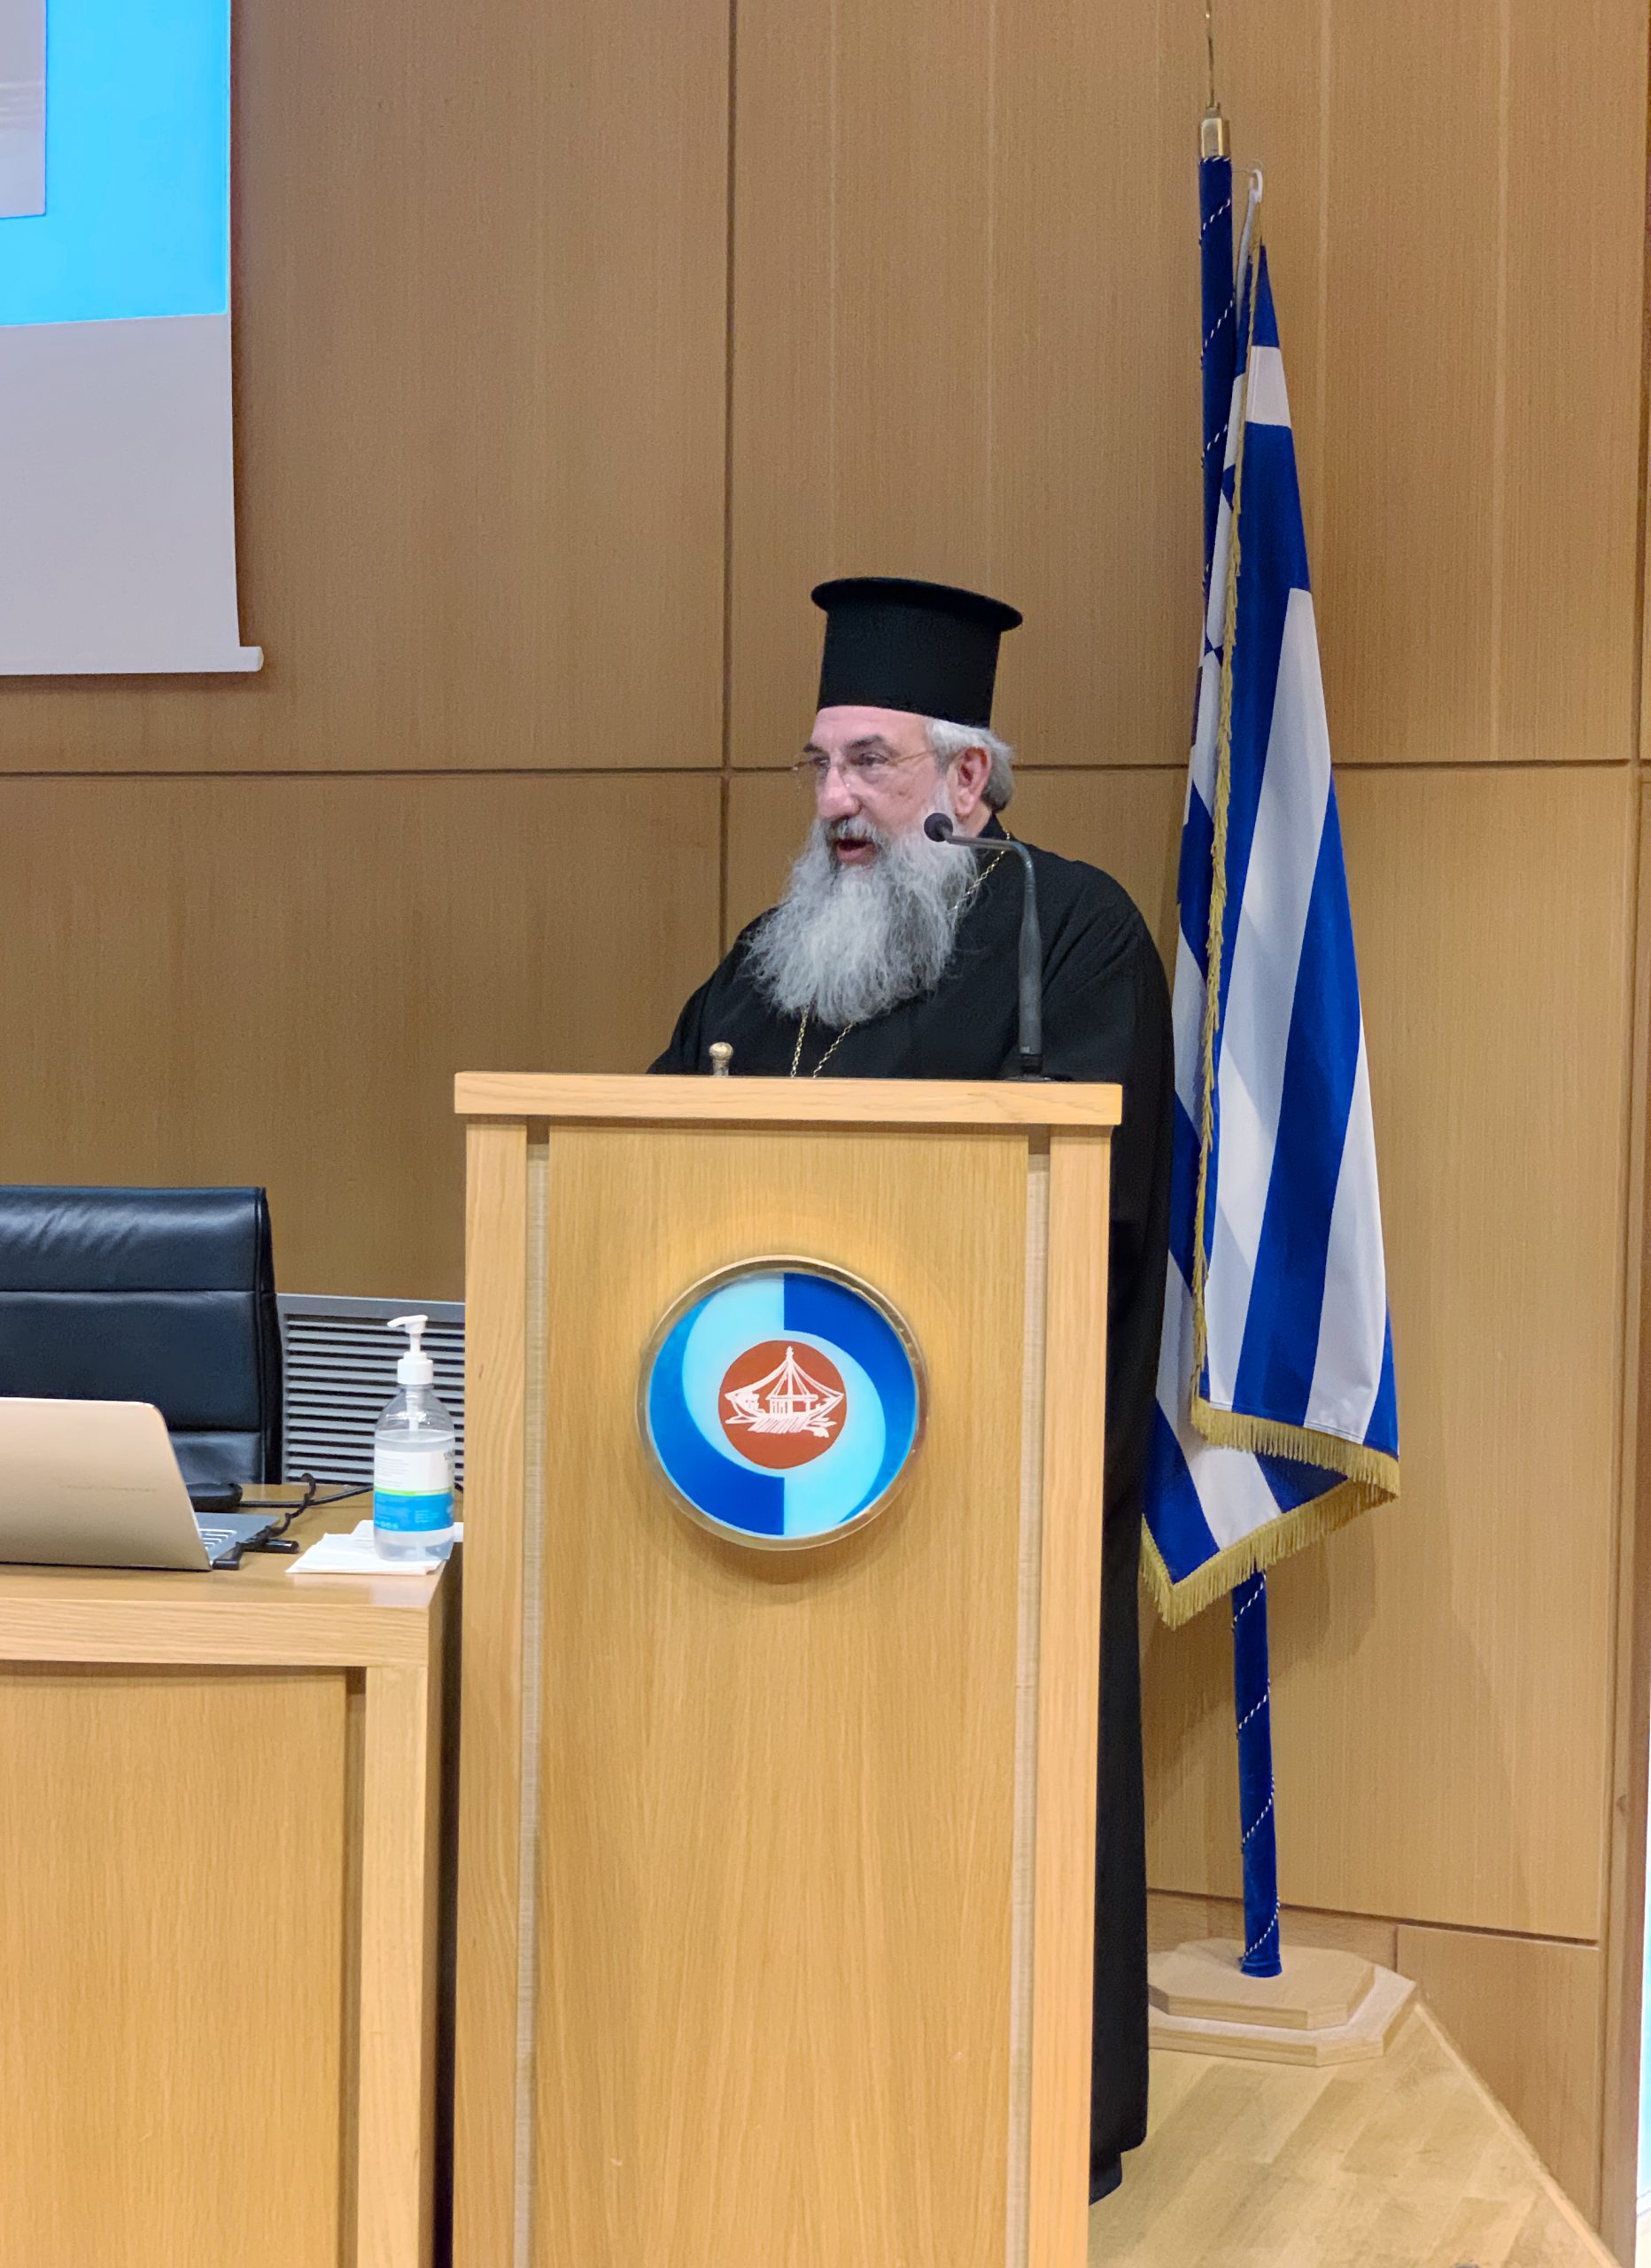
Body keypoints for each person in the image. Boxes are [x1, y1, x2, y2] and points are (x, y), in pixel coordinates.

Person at [652, 575, 1173, 2201]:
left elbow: (1104, 1209)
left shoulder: (1069, 932)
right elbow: (641, 1159)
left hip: (977, 1485)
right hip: (762, 1474)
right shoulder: (771, 962)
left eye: (868, 762)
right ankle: (761, 2104)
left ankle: (1010, 2124)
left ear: (967, 775)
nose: (834, 800)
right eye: (819, 764)